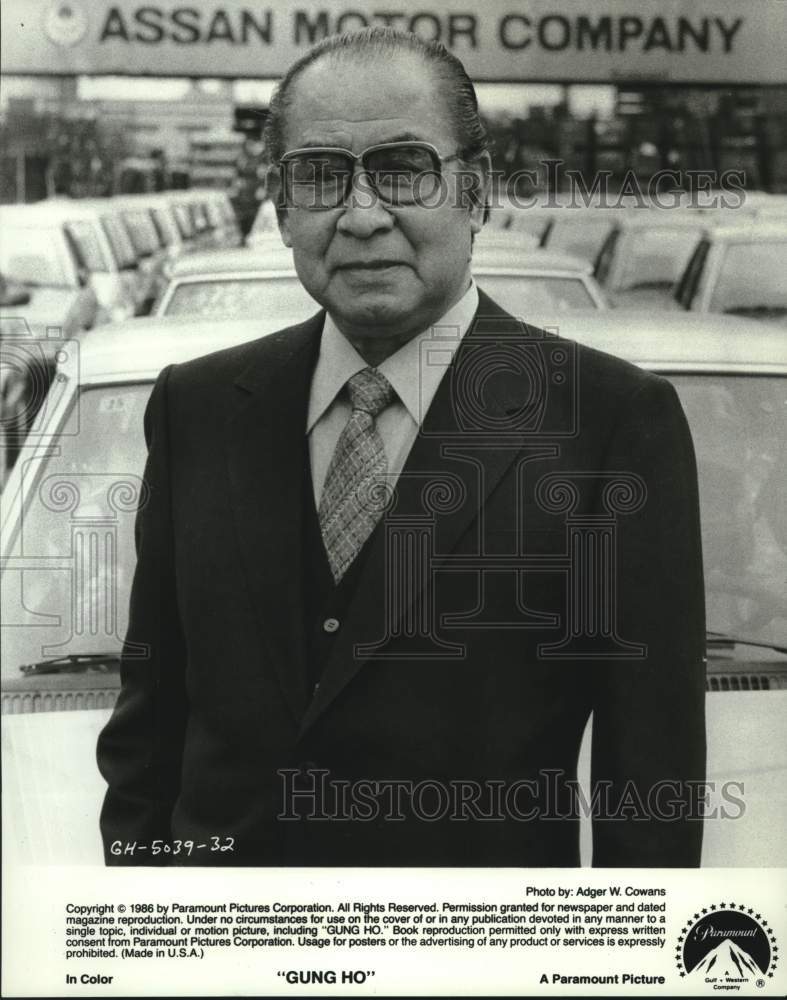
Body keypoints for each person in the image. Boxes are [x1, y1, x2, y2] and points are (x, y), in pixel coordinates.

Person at [97, 28, 706, 867]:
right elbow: (149, 726)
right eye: (319, 176)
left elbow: (651, 780)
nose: (361, 214)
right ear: (279, 208)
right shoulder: (196, 407)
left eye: (402, 169)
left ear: (477, 192)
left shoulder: (607, 423)